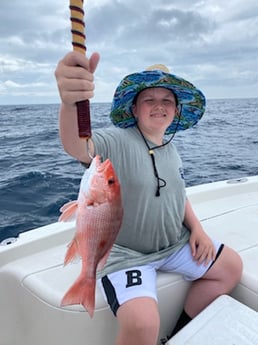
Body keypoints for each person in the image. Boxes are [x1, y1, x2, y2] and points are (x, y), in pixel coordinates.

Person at [55, 51, 243, 345]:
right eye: (149, 100)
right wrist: (69, 102)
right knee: (143, 325)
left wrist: (197, 229)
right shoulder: (117, 140)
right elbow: (79, 146)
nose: (159, 106)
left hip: (174, 244)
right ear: (134, 109)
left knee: (230, 267)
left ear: (176, 110)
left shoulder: (171, 148)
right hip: (128, 254)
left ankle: (180, 332)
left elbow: (178, 195)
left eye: (167, 100)